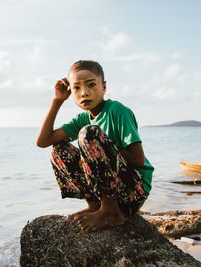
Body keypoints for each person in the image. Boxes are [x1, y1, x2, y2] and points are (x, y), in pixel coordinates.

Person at [36, 60, 154, 232]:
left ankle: (111, 212)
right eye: (76, 88)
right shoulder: (82, 119)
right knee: (59, 150)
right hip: (110, 190)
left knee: (88, 134)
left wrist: (99, 151)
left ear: (104, 87)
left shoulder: (117, 110)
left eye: (91, 85)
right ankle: (95, 205)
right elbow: (43, 141)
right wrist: (57, 101)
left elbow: (138, 158)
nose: (84, 93)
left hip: (133, 191)